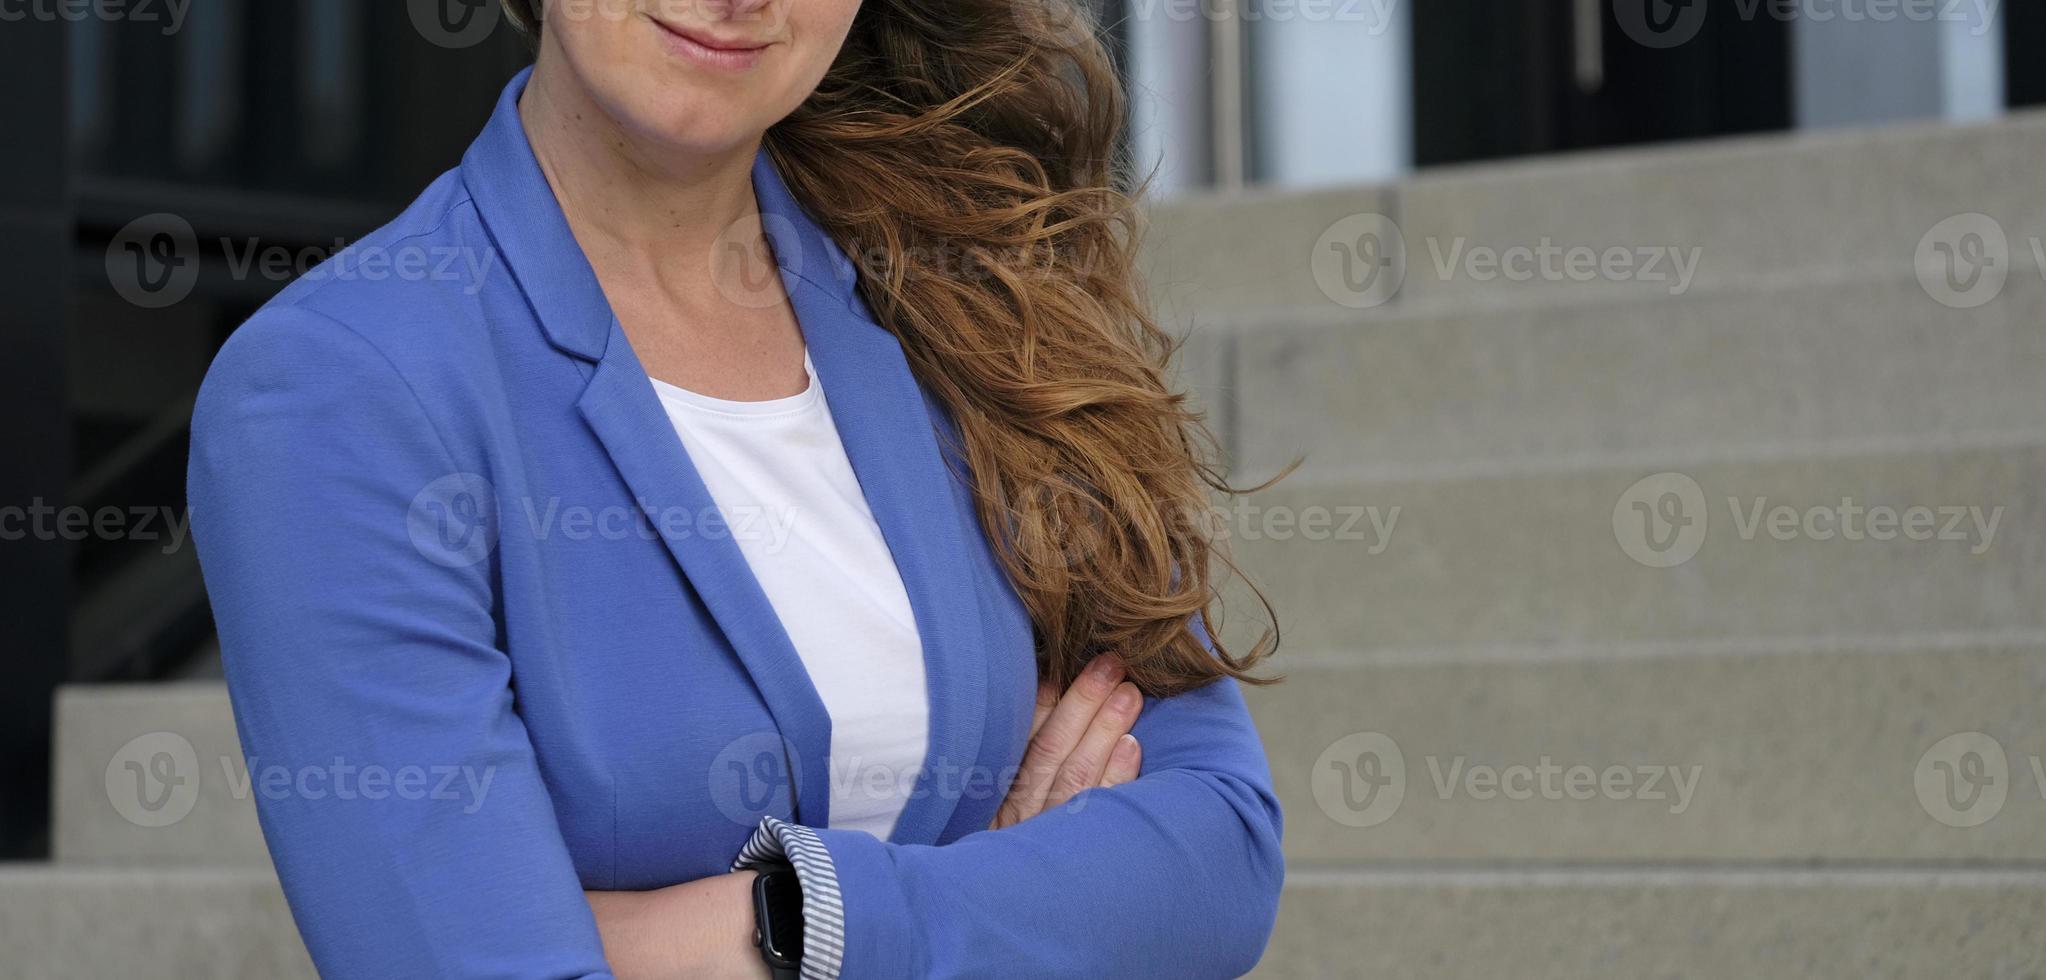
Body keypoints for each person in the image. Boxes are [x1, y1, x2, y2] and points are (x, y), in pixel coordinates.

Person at [188, 1, 1283, 976]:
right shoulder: (341, 387)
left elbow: (1217, 849)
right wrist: (1024, 904)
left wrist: (800, 922)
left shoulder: (973, 288)